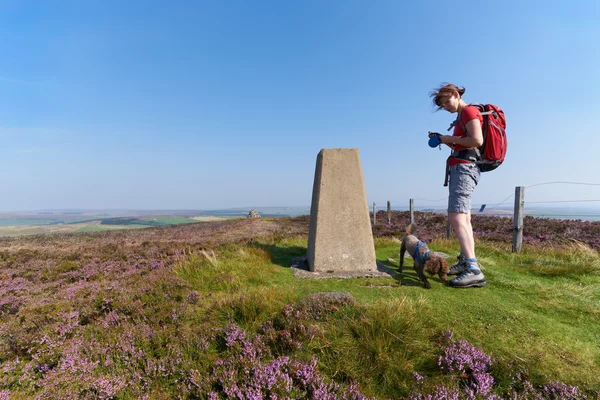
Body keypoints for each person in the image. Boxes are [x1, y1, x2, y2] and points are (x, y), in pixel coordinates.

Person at [428, 83, 487, 288]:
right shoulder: (462, 116)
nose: (446, 107)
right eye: (442, 105)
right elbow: (464, 141)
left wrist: (446, 138)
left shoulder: (469, 111)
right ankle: (465, 262)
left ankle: (473, 269)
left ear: (455, 94)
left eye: (446, 102)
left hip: (464, 168)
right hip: (462, 167)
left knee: (456, 216)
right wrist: (444, 140)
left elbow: (476, 140)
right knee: (465, 217)